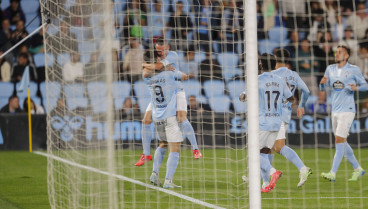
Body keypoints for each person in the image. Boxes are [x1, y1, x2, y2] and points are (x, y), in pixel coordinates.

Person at [136, 37, 202, 166]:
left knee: (181, 117)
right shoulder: (154, 55)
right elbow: (146, 73)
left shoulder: (173, 55)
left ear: (168, 48)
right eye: (158, 51)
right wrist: (154, 67)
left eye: (163, 51)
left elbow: (158, 66)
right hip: (160, 92)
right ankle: (146, 154)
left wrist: (145, 64)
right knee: (145, 121)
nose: (160, 53)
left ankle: (195, 149)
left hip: (176, 91)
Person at [240, 53, 294, 193]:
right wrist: (282, 101)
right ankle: (265, 184)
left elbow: (243, 97)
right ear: (275, 65)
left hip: (262, 122)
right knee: (263, 153)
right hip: (277, 122)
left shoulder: (256, 80)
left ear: (260, 64)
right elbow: (291, 98)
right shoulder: (280, 80)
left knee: (253, 153)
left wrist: (243, 96)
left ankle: (272, 172)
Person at [142, 50, 190, 188]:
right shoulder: (168, 74)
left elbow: (149, 71)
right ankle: (168, 181)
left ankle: (154, 173)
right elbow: (183, 78)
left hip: (157, 117)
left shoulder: (146, 77)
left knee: (162, 144)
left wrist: (145, 64)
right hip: (170, 116)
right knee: (174, 148)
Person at [320, 45, 368, 181]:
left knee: (338, 140)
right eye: (336, 52)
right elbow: (322, 87)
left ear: (346, 56)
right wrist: (322, 83)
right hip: (334, 110)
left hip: (347, 110)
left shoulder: (354, 70)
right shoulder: (330, 69)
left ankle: (332, 173)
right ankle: (358, 169)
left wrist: (356, 88)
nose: (337, 54)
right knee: (342, 141)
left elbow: (365, 85)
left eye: (340, 52)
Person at [267, 48, 312, 188]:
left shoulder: (272, 74)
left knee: (278, 147)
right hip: (286, 115)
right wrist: (301, 105)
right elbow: (306, 91)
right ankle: (262, 177)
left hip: (274, 115)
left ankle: (303, 168)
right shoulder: (294, 75)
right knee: (267, 146)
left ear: (275, 58)